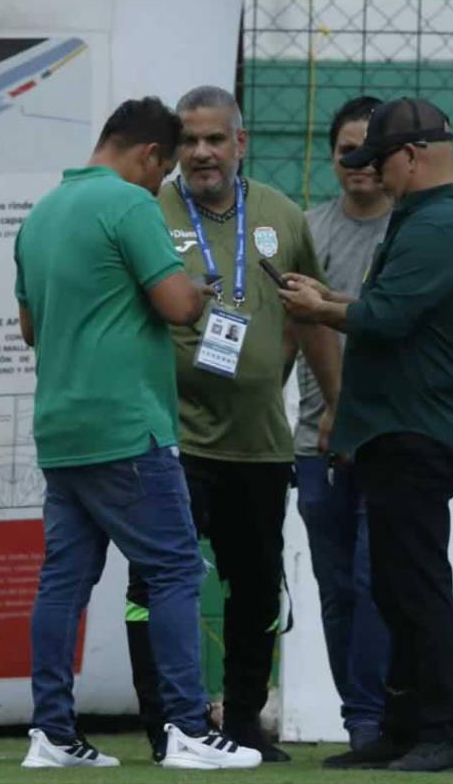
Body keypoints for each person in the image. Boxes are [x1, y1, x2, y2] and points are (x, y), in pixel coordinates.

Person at [13, 97, 261, 771]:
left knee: (64, 579)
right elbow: (177, 305)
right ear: (149, 155)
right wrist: (202, 290)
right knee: (176, 567)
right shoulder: (128, 205)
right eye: (164, 170)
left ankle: (53, 733)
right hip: (126, 425)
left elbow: (29, 330)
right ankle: (186, 726)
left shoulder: (39, 216)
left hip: (61, 428)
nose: (163, 184)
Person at [279, 97, 453, 773]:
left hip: (416, 427)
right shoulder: (430, 217)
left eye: (380, 161)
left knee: (416, 583)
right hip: (397, 428)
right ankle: (405, 726)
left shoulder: (440, 226)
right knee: (399, 587)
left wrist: (324, 307)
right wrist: (331, 302)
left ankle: (437, 729)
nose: (373, 175)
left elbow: (390, 316)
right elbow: (384, 310)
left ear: (410, 156)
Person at [125, 85, 342, 763]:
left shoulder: (281, 215)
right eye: (189, 140)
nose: (202, 152)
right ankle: (171, 728)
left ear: (240, 143)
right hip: (169, 441)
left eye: (215, 139)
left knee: (253, 591)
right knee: (155, 587)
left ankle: (245, 723)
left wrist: (336, 404)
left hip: (258, 444)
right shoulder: (144, 211)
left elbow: (309, 318)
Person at [291, 96, 392, 752]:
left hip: (387, 434)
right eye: (344, 150)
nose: (356, 163)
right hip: (313, 438)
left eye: (368, 150)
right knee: (335, 588)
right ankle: (360, 721)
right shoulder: (306, 228)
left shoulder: (409, 231)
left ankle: (383, 717)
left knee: (375, 578)